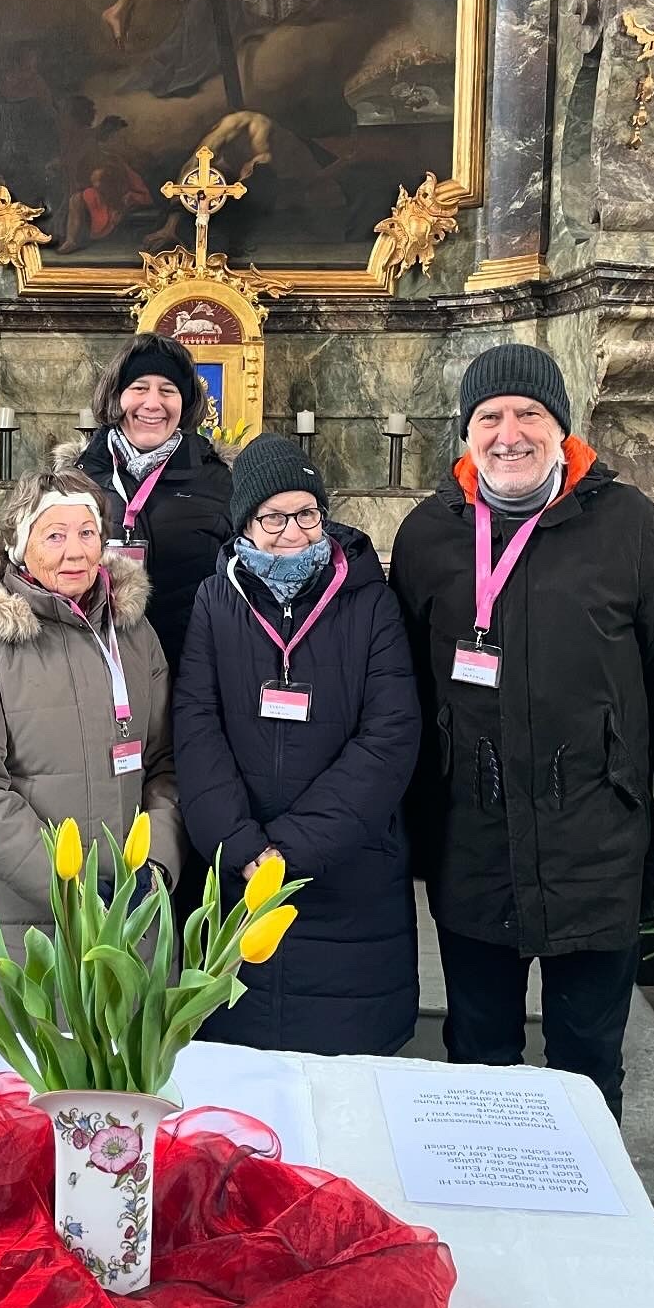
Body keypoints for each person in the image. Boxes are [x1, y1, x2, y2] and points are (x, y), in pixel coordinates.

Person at [388, 344, 654, 1120]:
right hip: (474, 846)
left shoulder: (627, 525)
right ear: (466, 433)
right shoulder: (429, 535)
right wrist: (408, 829)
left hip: (597, 842)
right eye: (489, 417)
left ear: (561, 427)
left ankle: (589, 1192)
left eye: (528, 414)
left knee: (587, 1064)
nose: (509, 434)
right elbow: (401, 693)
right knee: (479, 1060)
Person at [173, 435, 420, 1055]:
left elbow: (389, 734)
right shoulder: (215, 600)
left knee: (344, 1078)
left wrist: (290, 850)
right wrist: (242, 846)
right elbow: (197, 727)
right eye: (273, 517)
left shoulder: (370, 600)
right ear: (245, 525)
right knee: (237, 1074)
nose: (293, 532)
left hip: (349, 875)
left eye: (306, 513)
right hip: (239, 870)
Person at [0, 467, 183, 963]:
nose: (75, 552)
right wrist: (69, 886)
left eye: (88, 533)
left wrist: (156, 865)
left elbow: (166, 764)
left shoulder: (134, 634)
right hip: (26, 927)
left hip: (134, 913)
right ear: (20, 547)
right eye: (54, 535)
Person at [60, 332, 233, 671]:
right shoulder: (76, 479)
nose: (153, 403)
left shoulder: (220, 481)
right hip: (93, 668)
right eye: (139, 388)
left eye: (168, 390)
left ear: (184, 402)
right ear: (116, 396)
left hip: (189, 669)